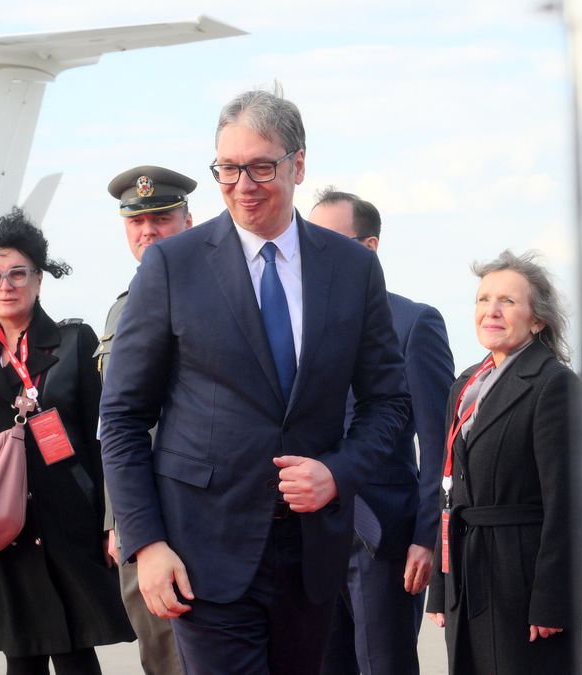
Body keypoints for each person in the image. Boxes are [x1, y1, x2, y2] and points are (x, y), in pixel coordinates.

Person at [98, 88, 410, 675]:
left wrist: (337, 472)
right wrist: (146, 543)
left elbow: (388, 402)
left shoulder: (352, 269)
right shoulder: (173, 266)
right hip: (200, 552)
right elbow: (121, 418)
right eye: (228, 169)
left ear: (298, 164)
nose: (244, 185)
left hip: (312, 553)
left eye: (261, 167)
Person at [0, 208, 134, 674]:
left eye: (18, 273)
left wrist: (111, 522)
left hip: (69, 522)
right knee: (20, 657)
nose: (6, 285)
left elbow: (101, 440)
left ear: (39, 280)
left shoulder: (73, 342)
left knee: (77, 652)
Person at [310, 188, 454, 675]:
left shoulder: (414, 323)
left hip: (384, 540)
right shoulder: (299, 325)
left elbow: (438, 447)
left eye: (327, 240)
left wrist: (427, 538)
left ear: (368, 248)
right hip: (313, 539)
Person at [425, 250, 582, 674]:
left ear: (537, 319)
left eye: (508, 301)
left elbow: (567, 506)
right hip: (467, 574)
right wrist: (441, 589)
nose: (491, 311)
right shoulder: (465, 385)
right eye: (483, 299)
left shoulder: (554, 385)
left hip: (522, 580)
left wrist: (555, 601)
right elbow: (447, 491)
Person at [99, 165, 195, 675]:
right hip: (139, 515)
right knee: (158, 656)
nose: (148, 230)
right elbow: (115, 425)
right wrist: (118, 519)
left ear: (188, 220)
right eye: (136, 222)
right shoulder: (121, 311)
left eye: (161, 217)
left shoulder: (216, 298)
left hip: (201, 509)